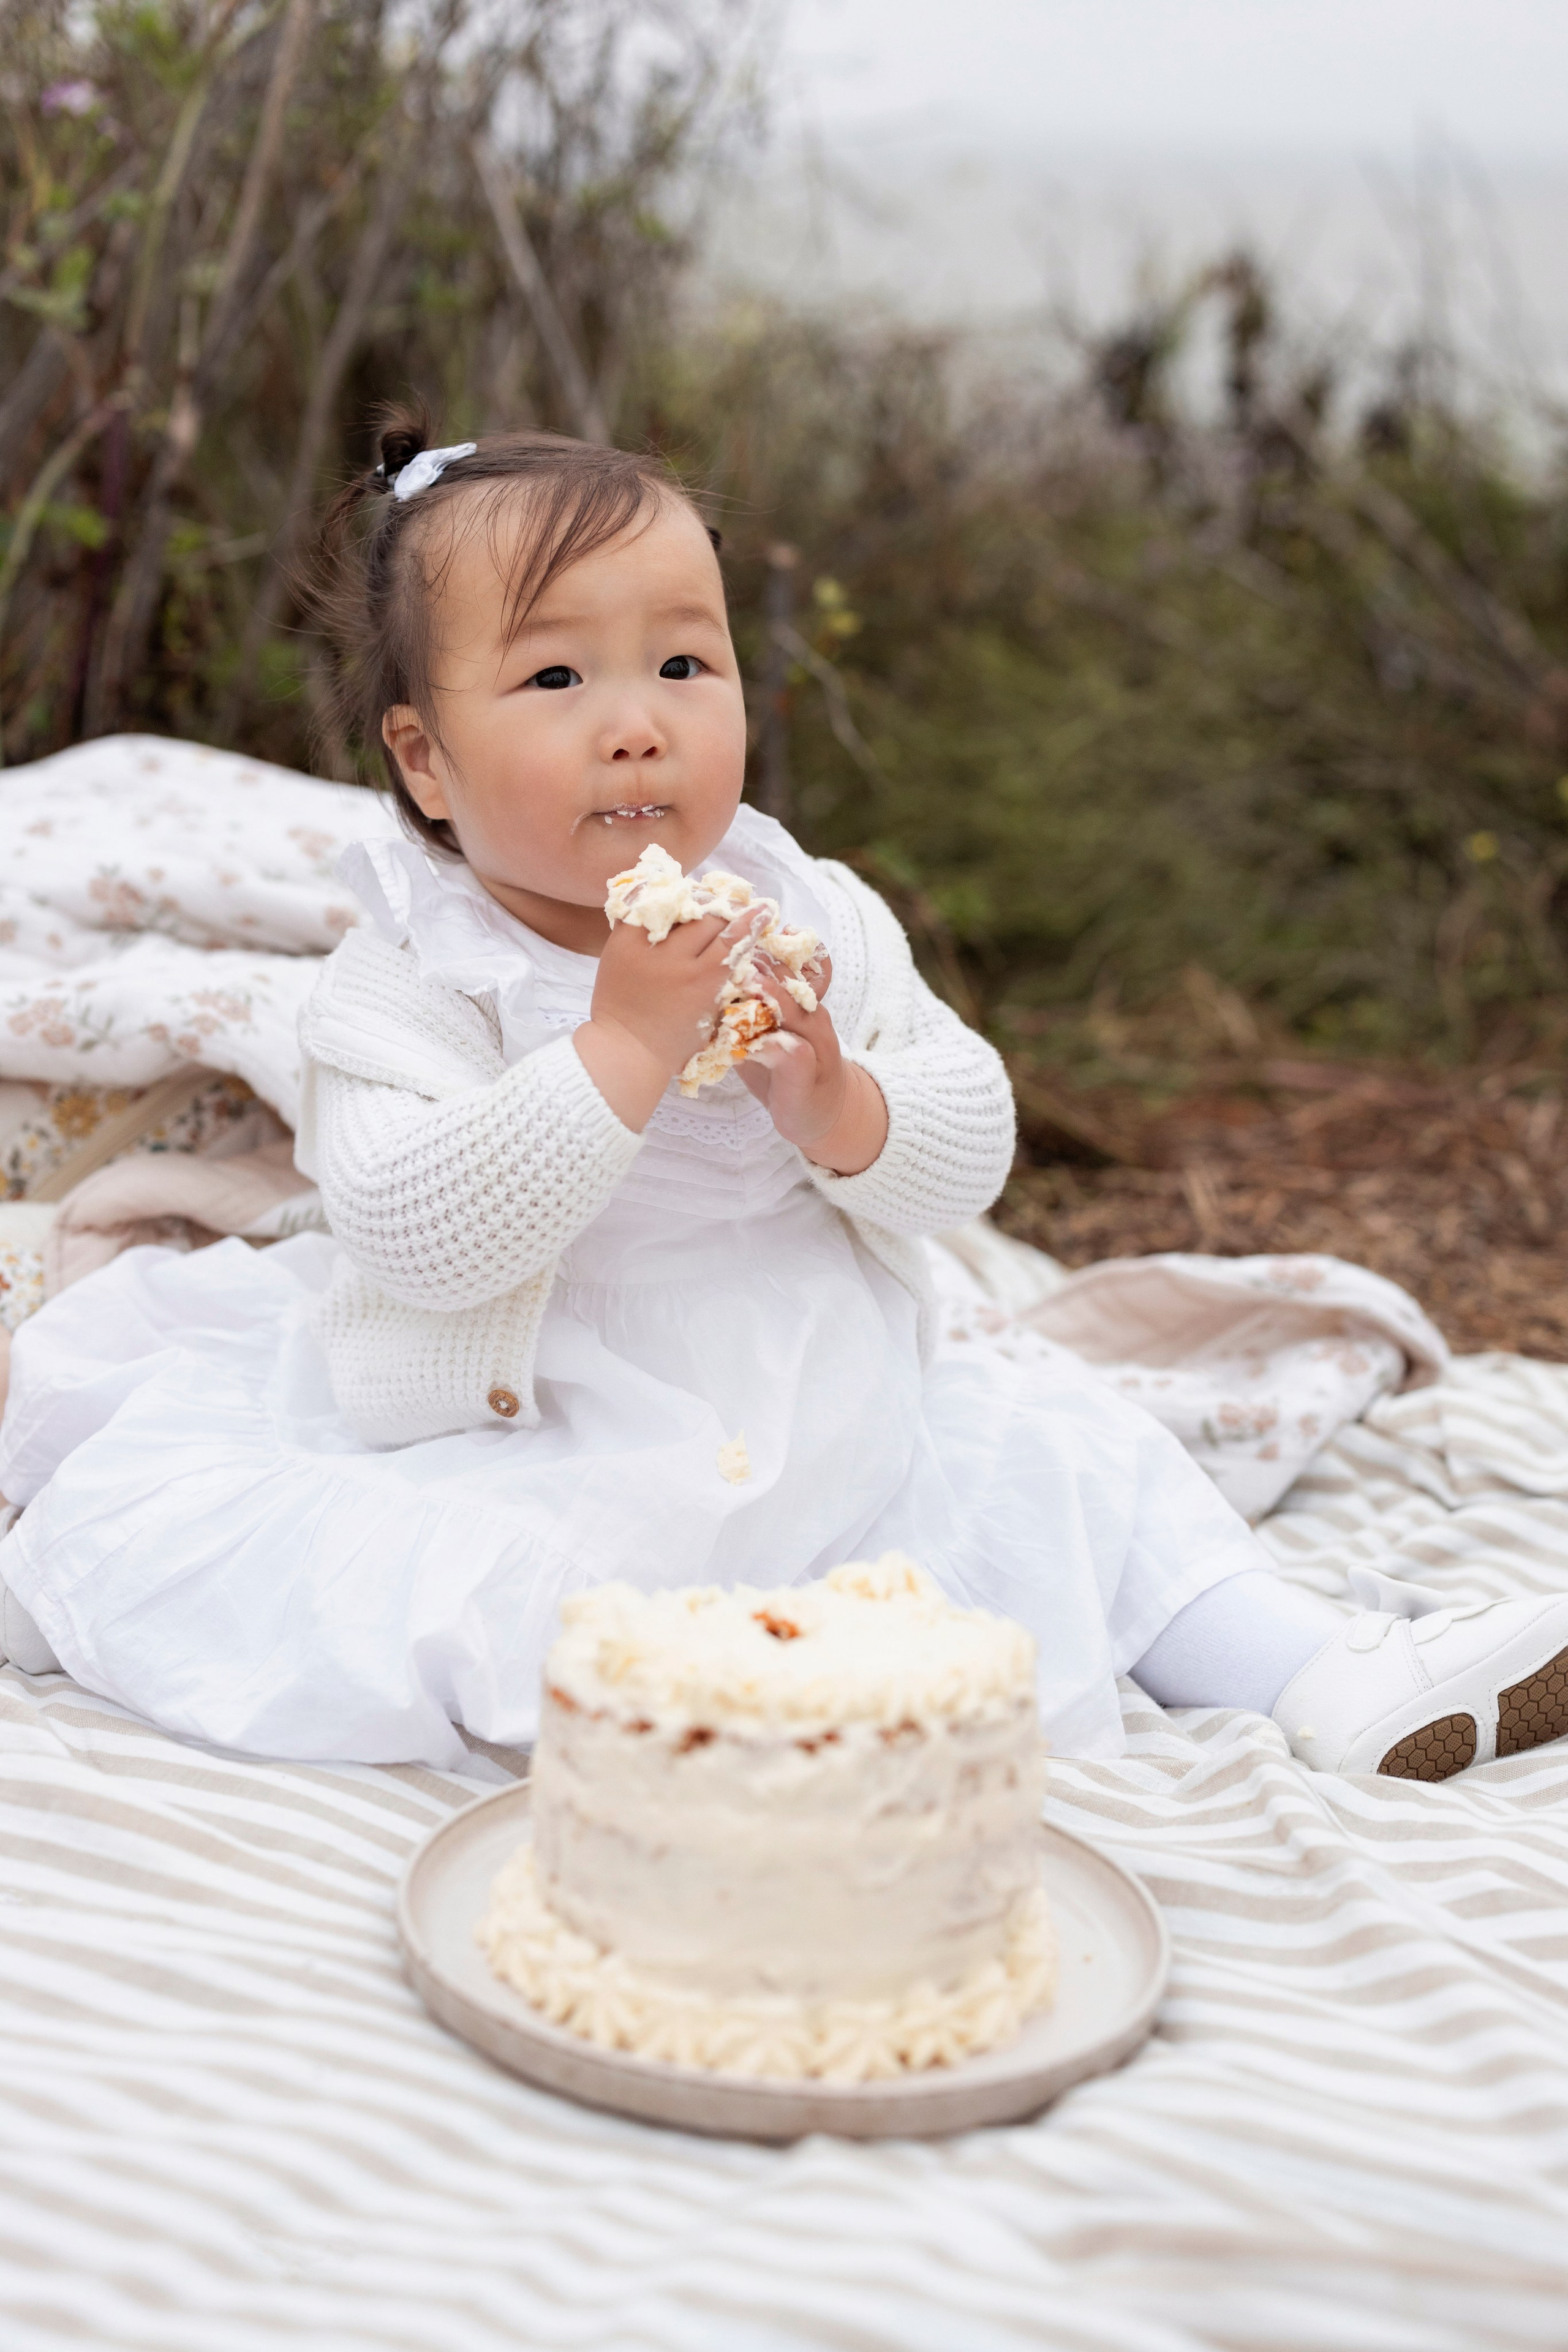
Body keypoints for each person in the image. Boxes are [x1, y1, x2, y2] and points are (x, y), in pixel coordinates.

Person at [2, 413, 1565, 1783]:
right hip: (546, 1403)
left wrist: (839, 1105)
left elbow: (970, 1142)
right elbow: (409, 1234)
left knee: (1064, 1454)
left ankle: (1315, 1670)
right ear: (423, 761)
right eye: (555, 674)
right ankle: (716, 1746)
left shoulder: (803, 911)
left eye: (684, 662)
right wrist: (614, 1051)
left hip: (826, 1379)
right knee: (503, 1585)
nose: (638, 717)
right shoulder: (412, 975)